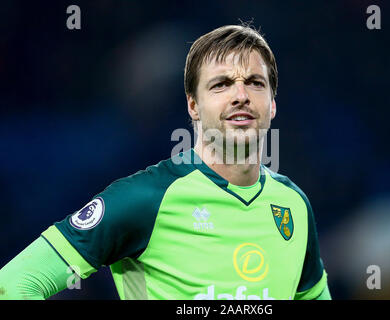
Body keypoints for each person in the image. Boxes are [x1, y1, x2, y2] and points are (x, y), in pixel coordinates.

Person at [0, 24, 331, 300]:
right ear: (193, 106)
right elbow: (14, 285)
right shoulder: (145, 198)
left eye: (255, 83)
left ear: (272, 104)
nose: (241, 95)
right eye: (221, 84)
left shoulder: (294, 205)